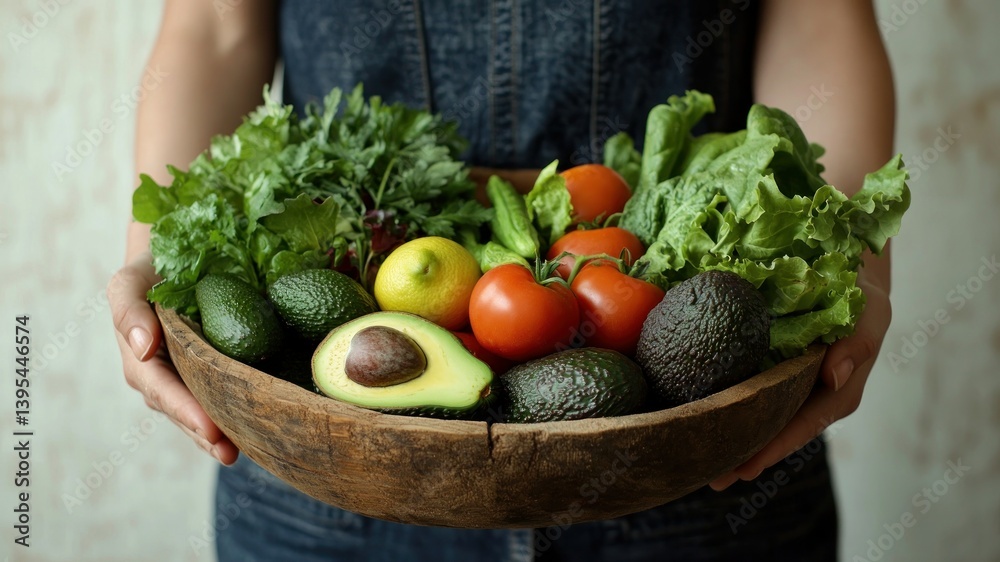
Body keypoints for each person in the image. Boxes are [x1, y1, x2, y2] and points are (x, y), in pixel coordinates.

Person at [108, 1, 895, 560]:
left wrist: (851, 265)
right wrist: (160, 247)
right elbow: (213, 27)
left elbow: (822, 16)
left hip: (701, 463)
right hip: (325, 474)